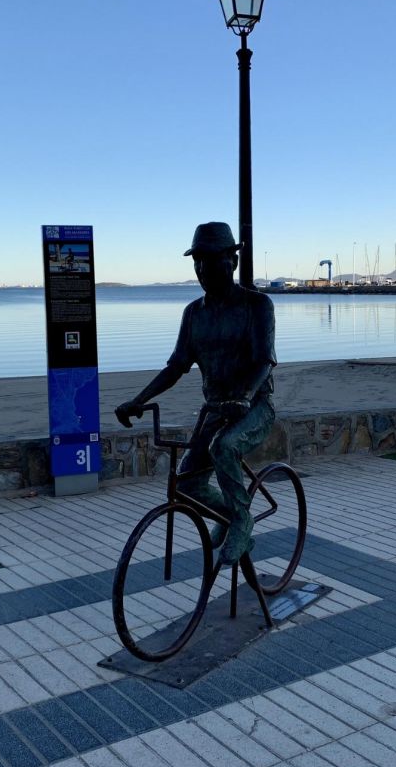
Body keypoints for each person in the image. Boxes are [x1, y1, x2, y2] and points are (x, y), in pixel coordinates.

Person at [115, 222, 276, 565]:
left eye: (211, 259)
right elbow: (176, 366)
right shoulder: (193, 314)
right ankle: (233, 516)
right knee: (187, 484)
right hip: (215, 410)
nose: (202, 269)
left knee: (226, 446)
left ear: (232, 261)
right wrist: (138, 401)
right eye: (197, 261)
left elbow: (265, 361)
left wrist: (245, 396)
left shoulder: (258, 306)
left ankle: (242, 520)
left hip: (255, 407)